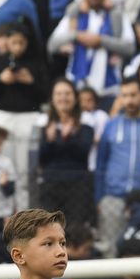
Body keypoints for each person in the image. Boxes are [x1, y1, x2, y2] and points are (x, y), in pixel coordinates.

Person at [95, 76, 140, 256]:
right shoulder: (111, 126)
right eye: (125, 95)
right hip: (114, 197)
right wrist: (99, 197)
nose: (129, 100)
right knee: (111, 250)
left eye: (133, 95)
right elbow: (100, 163)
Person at [0, 22, 49, 212]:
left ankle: (24, 214)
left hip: (27, 119)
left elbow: (45, 94)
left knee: (23, 171)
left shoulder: (36, 65)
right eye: (14, 42)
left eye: (22, 43)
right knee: (1, 167)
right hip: (2, 118)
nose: (18, 47)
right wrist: (1, 80)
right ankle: (0, 211)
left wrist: (31, 82)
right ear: (7, 42)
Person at [47, 0, 136, 104]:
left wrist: (101, 40)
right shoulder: (75, 14)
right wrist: (77, 35)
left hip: (108, 89)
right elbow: (51, 45)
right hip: (78, 88)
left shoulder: (117, 15)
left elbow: (130, 48)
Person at [38, 79, 95, 226]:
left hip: (77, 186)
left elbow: (83, 153)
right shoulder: (44, 123)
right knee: (50, 230)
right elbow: (41, 158)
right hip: (51, 185)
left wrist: (65, 139)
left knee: (74, 229)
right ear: (52, 98)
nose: (63, 98)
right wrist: (51, 141)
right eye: (59, 94)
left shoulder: (86, 121)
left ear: (75, 98)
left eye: (67, 93)